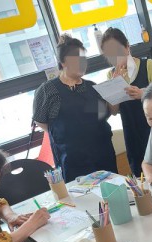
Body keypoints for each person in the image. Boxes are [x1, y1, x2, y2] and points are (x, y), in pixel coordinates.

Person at [33, 34, 117, 182]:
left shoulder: (92, 86)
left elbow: (106, 114)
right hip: (71, 160)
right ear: (63, 62)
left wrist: (115, 87)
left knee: (111, 190)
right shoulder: (47, 90)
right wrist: (62, 133)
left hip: (102, 155)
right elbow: (40, 121)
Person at [101, 27, 152, 176]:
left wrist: (143, 93)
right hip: (131, 133)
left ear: (127, 46)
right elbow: (113, 111)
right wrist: (115, 85)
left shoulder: (147, 65)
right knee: (140, 175)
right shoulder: (111, 75)